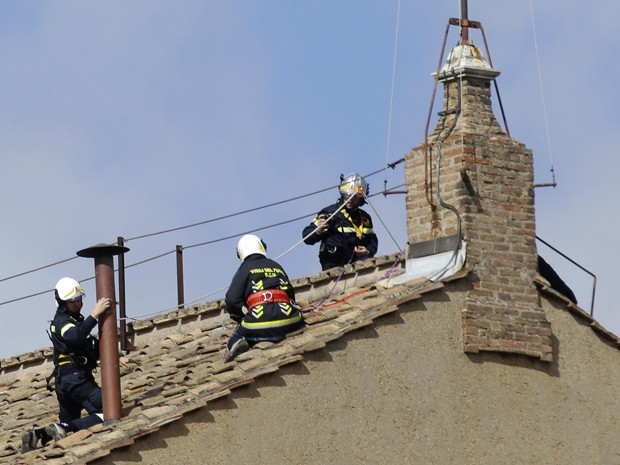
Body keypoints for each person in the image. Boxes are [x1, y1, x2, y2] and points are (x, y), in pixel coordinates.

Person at [22, 277, 110, 453]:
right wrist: (95, 314)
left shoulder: (73, 320)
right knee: (109, 410)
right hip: (75, 380)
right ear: (63, 302)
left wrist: (116, 356)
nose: (77, 303)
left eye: (78, 299)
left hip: (66, 382)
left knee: (64, 426)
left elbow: (86, 347)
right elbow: (74, 337)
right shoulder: (63, 321)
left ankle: (38, 435)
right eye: (72, 301)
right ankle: (64, 429)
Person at [224, 234, 304, 362]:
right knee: (296, 320)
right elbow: (290, 294)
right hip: (291, 319)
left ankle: (242, 342)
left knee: (235, 338)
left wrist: (241, 318)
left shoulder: (245, 269)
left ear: (240, 254)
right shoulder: (277, 266)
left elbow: (232, 300)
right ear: (262, 247)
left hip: (259, 322)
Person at [302, 172, 378, 271]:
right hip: (333, 264)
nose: (350, 200)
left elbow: (372, 240)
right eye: (347, 196)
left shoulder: (365, 218)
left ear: (361, 199)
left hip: (357, 265)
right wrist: (318, 230)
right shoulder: (330, 212)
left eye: (354, 197)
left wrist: (367, 251)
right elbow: (307, 237)